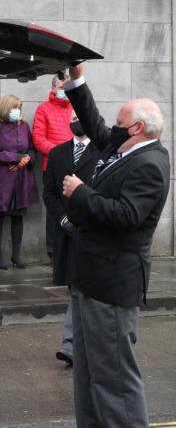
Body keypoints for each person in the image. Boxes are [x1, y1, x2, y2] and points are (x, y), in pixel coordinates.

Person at [61, 63, 170, 428]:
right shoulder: (124, 148)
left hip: (111, 286)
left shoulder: (150, 163)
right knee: (88, 376)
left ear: (137, 128)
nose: (115, 127)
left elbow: (126, 215)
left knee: (114, 381)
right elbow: (95, 124)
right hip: (89, 279)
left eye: (121, 122)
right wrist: (77, 80)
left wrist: (81, 193)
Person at [42, 110, 100, 366]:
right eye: (73, 118)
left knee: (82, 289)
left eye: (80, 117)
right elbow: (50, 193)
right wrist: (63, 219)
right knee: (75, 288)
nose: (76, 121)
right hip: (66, 233)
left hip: (92, 229)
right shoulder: (57, 153)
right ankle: (78, 345)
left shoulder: (103, 151)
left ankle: (72, 345)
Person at [33, 72, 73, 260]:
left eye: (67, 88)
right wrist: (60, 154)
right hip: (52, 167)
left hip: (75, 166)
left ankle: (72, 250)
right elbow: (38, 139)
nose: (64, 91)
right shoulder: (43, 109)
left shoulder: (75, 108)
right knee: (54, 211)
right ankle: (53, 252)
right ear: (53, 88)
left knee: (75, 209)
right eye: (61, 87)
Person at [0, 95, 38, 270]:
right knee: (1, 216)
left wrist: (27, 158)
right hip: (4, 178)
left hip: (21, 179)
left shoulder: (23, 126)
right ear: (6, 108)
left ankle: (16, 255)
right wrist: (15, 157)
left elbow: (31, 148)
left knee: (18, 216)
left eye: (19, 107)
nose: (18, 111)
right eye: (15, 107)